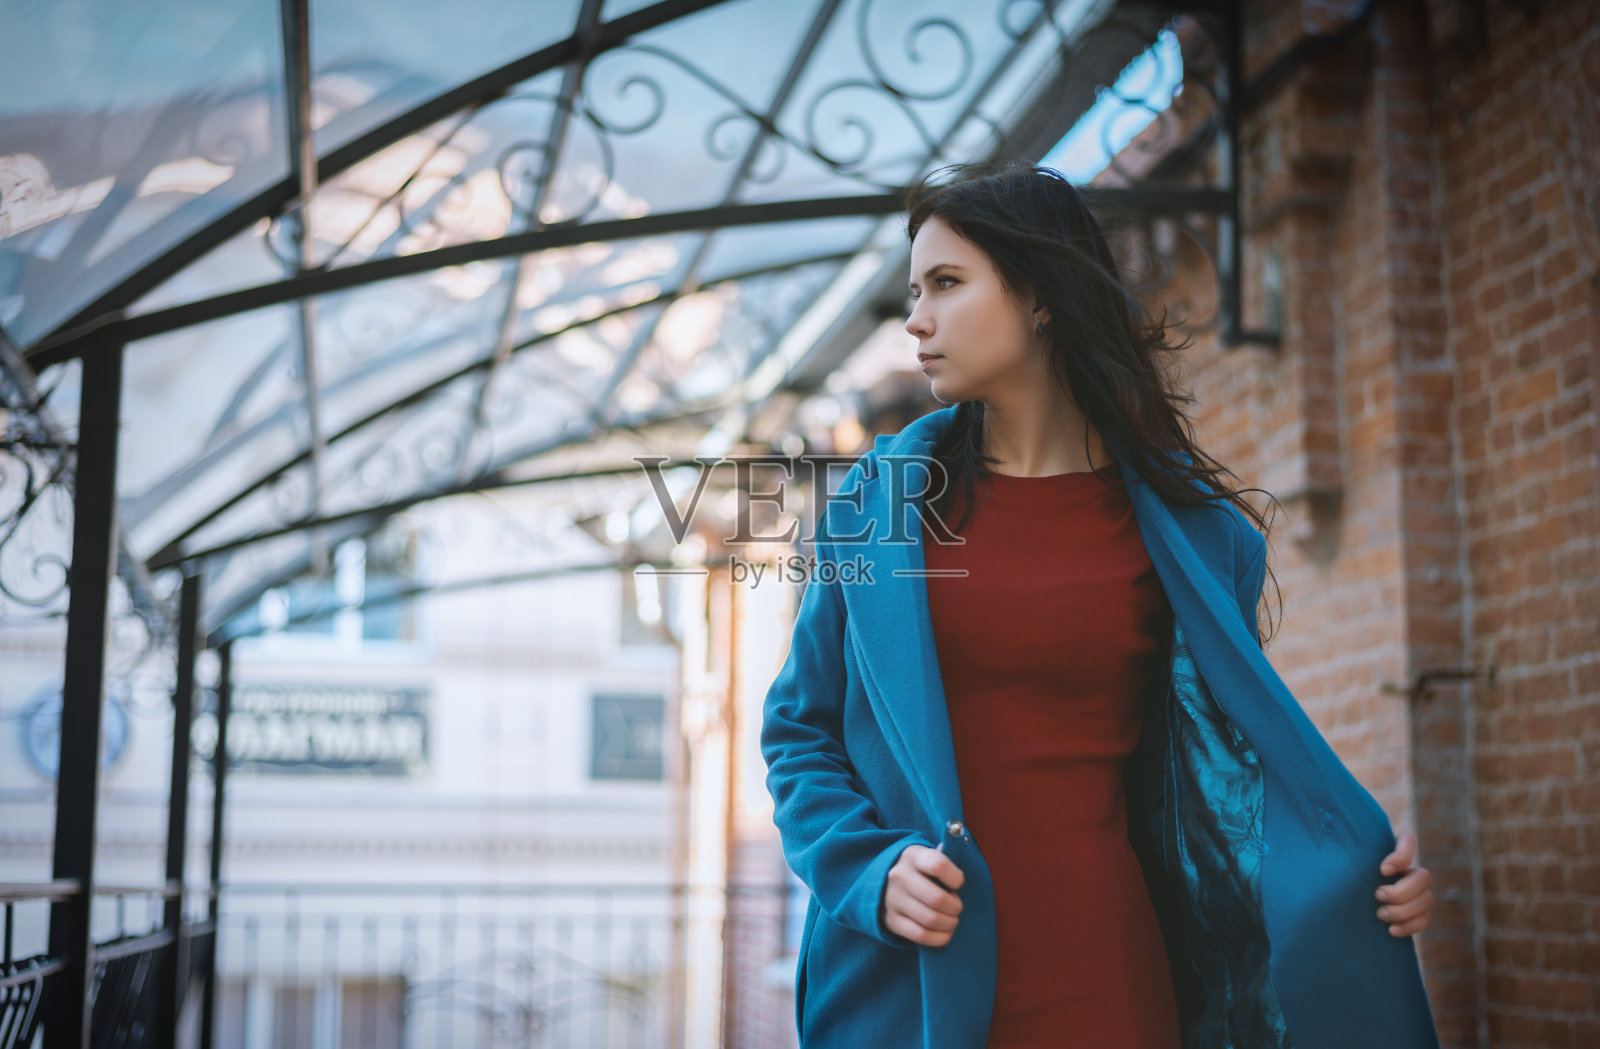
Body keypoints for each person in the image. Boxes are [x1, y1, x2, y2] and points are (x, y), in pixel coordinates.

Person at [759, 161, 1440, 1049]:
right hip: (910, 976)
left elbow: (1227, 766)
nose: (916, 318)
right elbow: (797, 734)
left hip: (1110, 973)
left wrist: (1349, 874)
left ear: (1040, 296)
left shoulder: (1191, 536)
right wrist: (866, 870)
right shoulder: (872, 511)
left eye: (948, 284)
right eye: (914, 289)